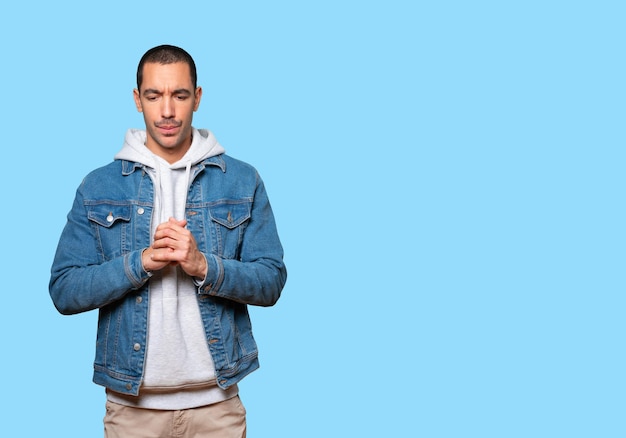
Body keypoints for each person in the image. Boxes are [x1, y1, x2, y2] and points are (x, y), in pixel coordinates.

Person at [49, 44, 287, 438]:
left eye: (179, 95)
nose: (167, 111)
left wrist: (203, 266)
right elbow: (63, 290)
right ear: (136, 100)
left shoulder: (242, 180)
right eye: (154, 95)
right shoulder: (98, 186)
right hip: (132, 411)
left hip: (218, 408)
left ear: (197, 97)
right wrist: (138, 263)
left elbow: (271, 280)